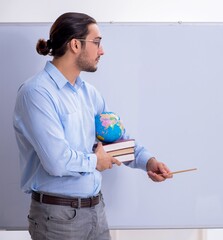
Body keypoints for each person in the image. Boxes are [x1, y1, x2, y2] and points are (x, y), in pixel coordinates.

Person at [13, 12, 173, 240]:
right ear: (75, 45)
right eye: (97, 42)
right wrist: (96, 161)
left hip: (96, 212)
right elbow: (56, 161)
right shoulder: (36, 93)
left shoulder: (89, 94)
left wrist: (148, 161)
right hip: (58, 219)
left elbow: (115, 139)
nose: (102, 50)